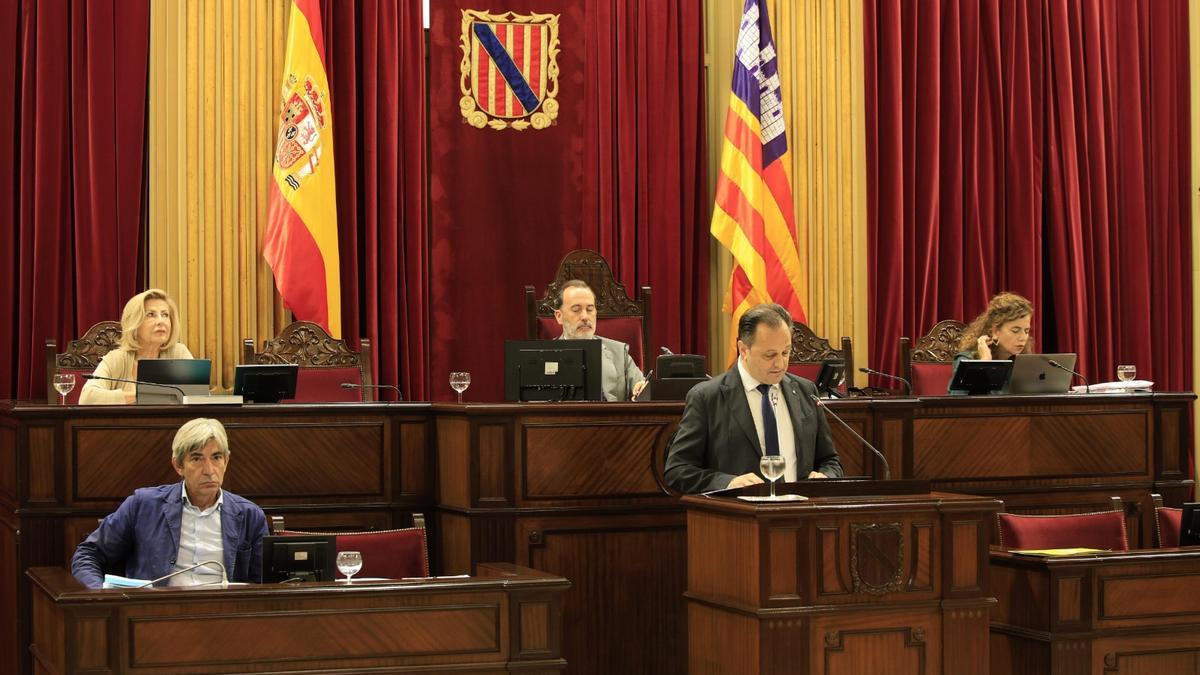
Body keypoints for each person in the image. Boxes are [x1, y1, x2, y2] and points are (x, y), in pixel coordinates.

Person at [663, 303, 843, 494]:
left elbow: (830, 461)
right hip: (739, 517)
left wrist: (826, 476)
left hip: (798, 516)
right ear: (743, 349)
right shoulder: (707, 397)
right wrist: (727, 483)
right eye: (770, 355)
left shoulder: (806, 391)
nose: (780, 363)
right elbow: (677, 470)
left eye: (785, 352)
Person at [71, 418, 268, 588]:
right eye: (197, 458)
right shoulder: (143, 505)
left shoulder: (250, 516)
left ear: (226, 461)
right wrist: (100, 593)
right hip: (157, 617)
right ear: (178, 465)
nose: (209, 469)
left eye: (216, 457)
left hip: (225, 618)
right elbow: (87, 554)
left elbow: (265, 583)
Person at [79, 288, 194, 404]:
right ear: (134, 323)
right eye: (151, 315)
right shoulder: (117, 359)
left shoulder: (179, 353)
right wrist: (144, 395)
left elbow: (196, 396)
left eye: (165, 315)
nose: (161, 321)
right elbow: (87, 398)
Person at [554, 279, 648, 401]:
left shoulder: (619, 352)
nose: (585, 317)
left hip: (612, 418)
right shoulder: (543, 356)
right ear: (559, 316)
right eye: (576, 310)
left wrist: (642, 388)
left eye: (590, 309)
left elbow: (641, 386)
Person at [948, 292, 1034, 393]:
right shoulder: (967, 360)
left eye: (1026, 331)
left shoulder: (1024, 364)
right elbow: (960, 403)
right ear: (995, 331)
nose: (1023, 338)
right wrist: (985, 362)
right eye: (1015, 330)